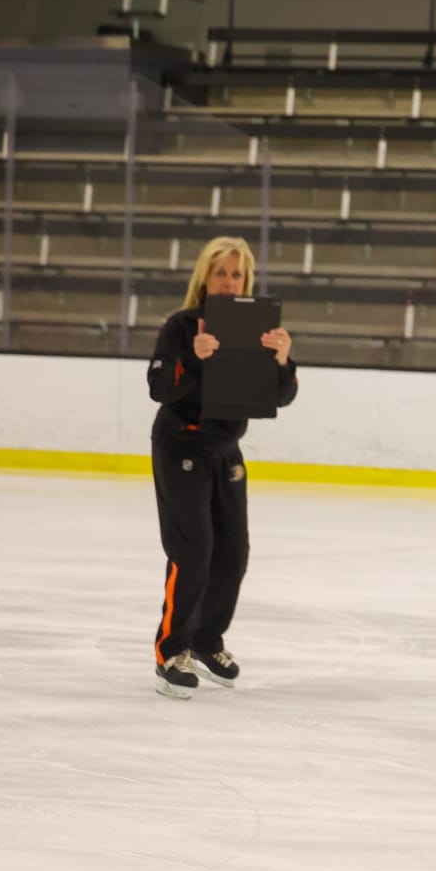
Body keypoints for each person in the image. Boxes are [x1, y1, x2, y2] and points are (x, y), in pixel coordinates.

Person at [146, 235, 298, 699]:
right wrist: (194, 356)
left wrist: (282, 360)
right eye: (221, 273)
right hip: (180, 446)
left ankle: (208, 641)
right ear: (205, 278)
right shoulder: (182, 326)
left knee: (233, 554)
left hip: (227, 452)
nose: (230, 282)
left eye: (238, 274)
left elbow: (282, 395)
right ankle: (171, 651)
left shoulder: (258, 328)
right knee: (194, 552)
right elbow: (158, 384)